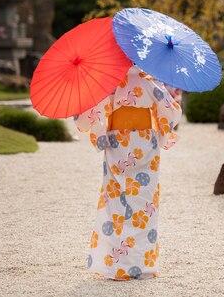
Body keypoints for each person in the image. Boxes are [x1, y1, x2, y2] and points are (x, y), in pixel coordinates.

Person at [75, 64, 182, 280]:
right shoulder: (148, 80)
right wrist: (163, 134)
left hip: (117, 143)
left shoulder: (108, 80)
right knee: (145, 204)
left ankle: (114, 265)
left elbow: (90, 114)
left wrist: (98, 133)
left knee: (116, 202)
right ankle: (142, 265)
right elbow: (170, 111)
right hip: (144, 141)